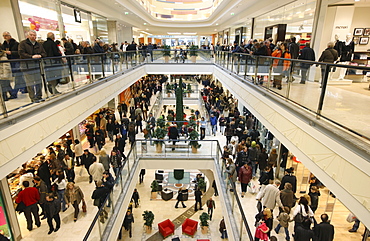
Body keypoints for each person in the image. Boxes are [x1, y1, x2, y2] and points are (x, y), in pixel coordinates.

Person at [18, 30, 46, 102]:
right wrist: (31, 56)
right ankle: (33, 97)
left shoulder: (38, 44)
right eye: (31, 35)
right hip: (27, 66)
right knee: (30, 83)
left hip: (37, 66)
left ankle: (39, 96)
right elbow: (21, 53)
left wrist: (40, 55)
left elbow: (44, 53)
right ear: (28, 36)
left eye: (34, 35)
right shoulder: (23, 44)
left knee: (39, 81)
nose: (33, 36)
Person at [2, 31, 25, 97]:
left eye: (6, 35)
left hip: (16, 62)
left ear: (10, 36)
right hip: (7, 63)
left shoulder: (16, 44)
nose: (5, 37)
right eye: (4, 35)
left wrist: (11, 52)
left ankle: (14, 93)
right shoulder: (4, 45)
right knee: (10, 78)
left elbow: (19, 53)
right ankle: (14, 91)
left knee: (18, 77)